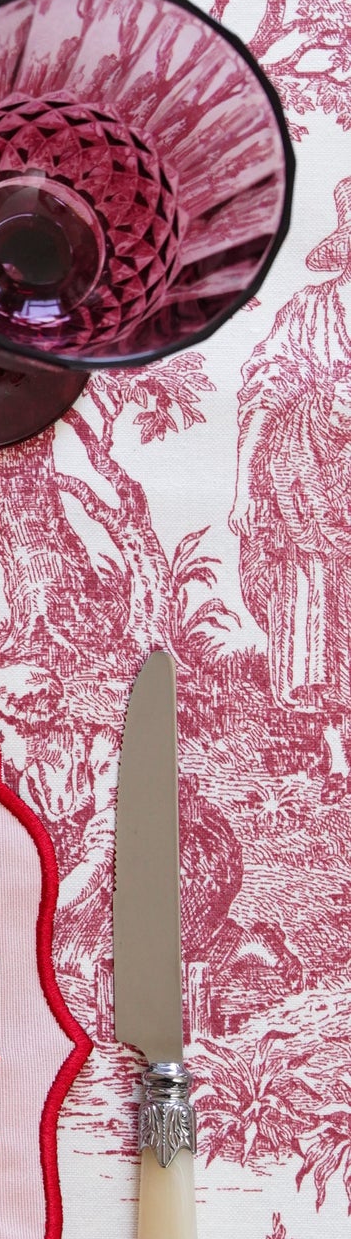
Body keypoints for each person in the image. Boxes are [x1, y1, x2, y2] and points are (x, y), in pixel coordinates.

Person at [236, 176, 351, 786]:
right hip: (307, 490)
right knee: (318, 613)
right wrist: (240, 488)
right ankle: (334, 751)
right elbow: (263, 393)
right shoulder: (309, 314)